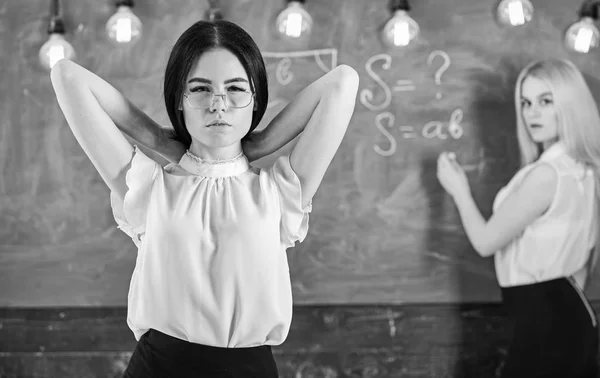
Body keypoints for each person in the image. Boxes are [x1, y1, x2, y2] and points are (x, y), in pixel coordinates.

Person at [50, 19, 359, 377]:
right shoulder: (148, 186)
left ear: (255, 98)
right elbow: (67, 76)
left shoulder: (279, 192)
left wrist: (257, 144)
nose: (218, 105)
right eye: (199, 89)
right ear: (179, 100)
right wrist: (160, 141)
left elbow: (343, 82)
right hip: (160, 367)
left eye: (235, 89)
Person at [437, 58, 600, 377]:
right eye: (525, 103)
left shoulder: (547, 175)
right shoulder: (582, 169)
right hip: (568, 315)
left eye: (545, 101)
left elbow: (486, 243)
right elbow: (579, 264)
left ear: (568, 104)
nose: (532, 113)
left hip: (546, 322)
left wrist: (458, 190)